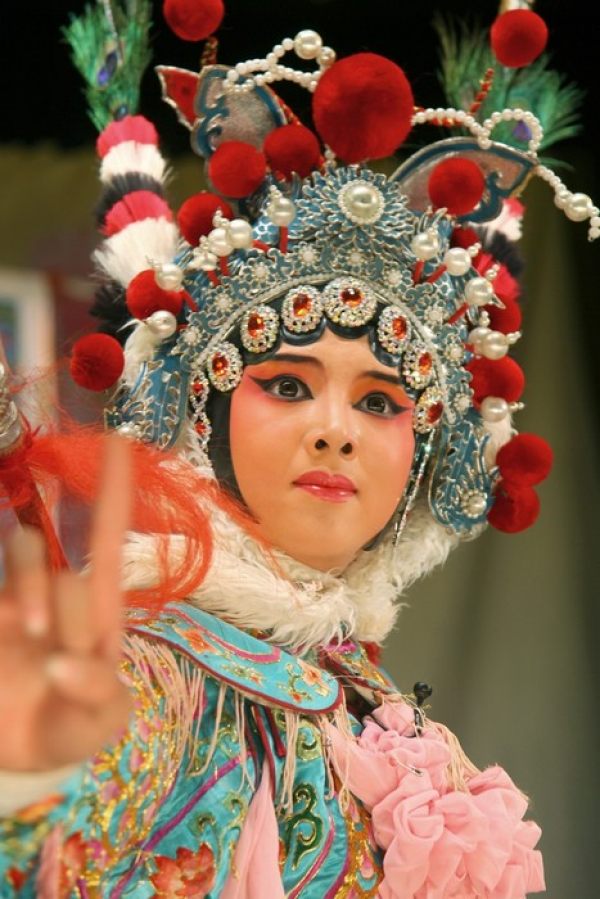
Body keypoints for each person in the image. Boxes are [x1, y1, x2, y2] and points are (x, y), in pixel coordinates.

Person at [0, 0, 596, 895]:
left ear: (426, 456)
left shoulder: (386, 714)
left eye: (381, 400)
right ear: (204, 415)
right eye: (285, 384)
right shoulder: (144, 677)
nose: (335, 429)